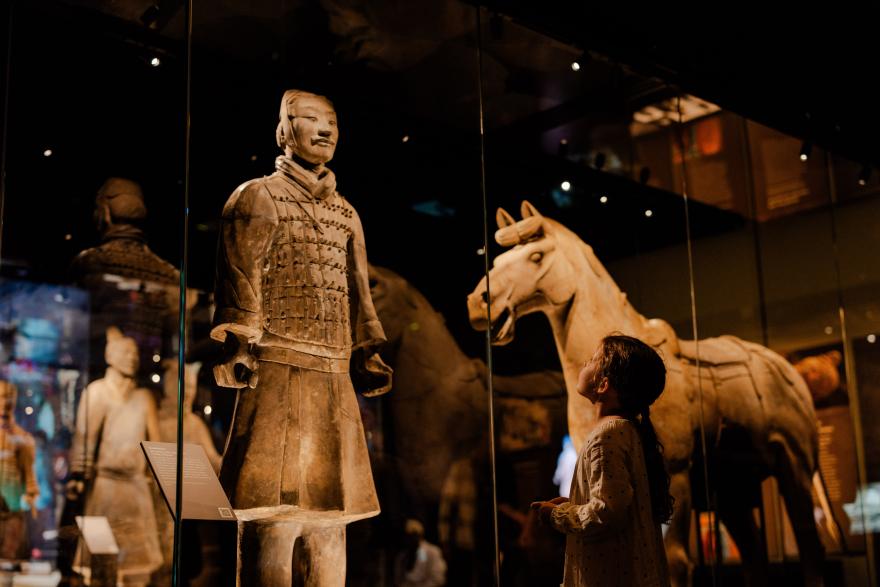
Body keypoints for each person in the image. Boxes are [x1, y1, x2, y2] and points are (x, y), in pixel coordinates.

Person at [212, 89, 391, 586]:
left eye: (332, 121)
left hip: (334, 376)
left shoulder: (347, 214)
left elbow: (359, 291)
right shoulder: (256, 197)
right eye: (310, 118)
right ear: (283, 130)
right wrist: (239, 345)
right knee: (273, 518)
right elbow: (240, 276)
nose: (325, 129)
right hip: (277, 370)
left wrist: (367, 350)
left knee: (331, 523)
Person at [531, 334, 672, 587]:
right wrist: (575, 504)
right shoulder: (626, 431)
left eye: (593, 360)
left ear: (603, 384)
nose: (585, 363)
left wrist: (558, 516)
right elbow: (617, 501)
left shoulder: (606, 436)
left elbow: (607, 512)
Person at [393, 519, 446, 587]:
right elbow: (399, 580)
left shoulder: (431, 552)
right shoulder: (402, 556)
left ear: (419, 535)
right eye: (407, 536)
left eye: (413, 535)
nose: (409, 540)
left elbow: (438, 579)